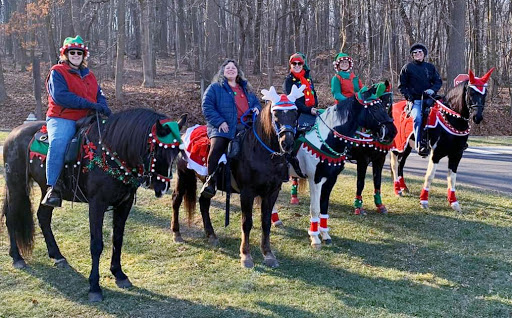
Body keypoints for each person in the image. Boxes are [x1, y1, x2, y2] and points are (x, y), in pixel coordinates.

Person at [42, 35, 111, 207]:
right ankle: (53, 187)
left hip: (88, 118)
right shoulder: (57, 71)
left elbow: (99, 95)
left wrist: (103, 107)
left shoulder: (90, 76)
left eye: (79, 52)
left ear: (83, 55)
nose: (75, 55)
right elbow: (61, 96)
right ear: (66, 54)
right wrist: (90, 104)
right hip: (62, 117)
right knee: (58, 142)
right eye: (72, 52)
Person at [200, 59, 261, 198]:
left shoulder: (245, 88)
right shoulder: (215, 87)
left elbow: (256, 103)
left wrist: (257, 109)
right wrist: (220, 122)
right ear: (223, 71)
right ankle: (210, 182)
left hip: (246, 126)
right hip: (222, 128)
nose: (231, 70)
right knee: (216, 148)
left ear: (238, 72)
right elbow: (207, 107)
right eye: (228, 68)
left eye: (233, 68)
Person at [398, 43, 442, 156]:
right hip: (415, 101)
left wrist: (433, 90)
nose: (418, 54)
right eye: (415, 53)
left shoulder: (430, 67)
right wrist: (409, 97)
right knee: (417, 118)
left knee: (442, 116)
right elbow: (402, 86)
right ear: (412, 55)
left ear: (424, 54)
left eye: (420, 52)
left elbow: (438, 81)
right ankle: (418, 144)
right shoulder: (407, 68)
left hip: (430, 99)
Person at [283, 52, 318, 129]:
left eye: (299, 63)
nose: (297, 66)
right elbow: (291, 100)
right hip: (296, 114)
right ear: (290, 65)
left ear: (303, 65)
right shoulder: (288, 81)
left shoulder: (308, 78)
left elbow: (313, 92)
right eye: (294, 63)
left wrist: (314, 105)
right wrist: (308, 110)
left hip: (311, 111)